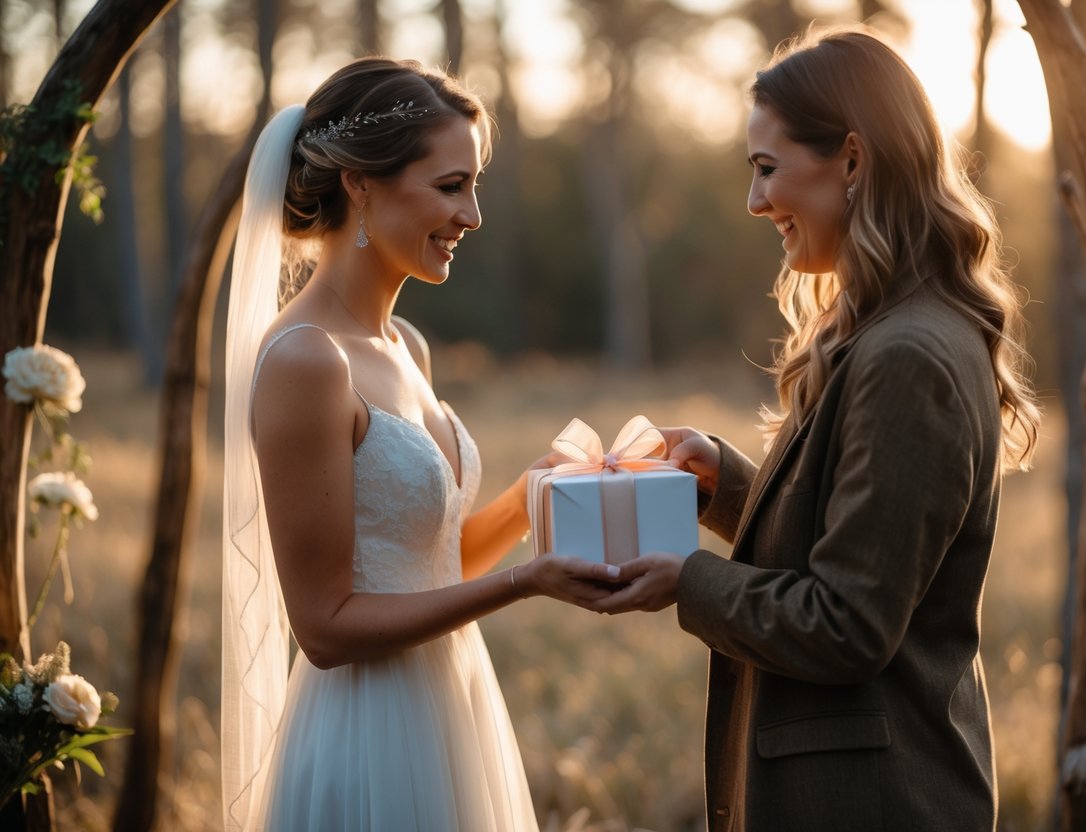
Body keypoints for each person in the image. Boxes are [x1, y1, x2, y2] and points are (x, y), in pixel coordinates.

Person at [586, 27, 1042, 830]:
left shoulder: (909, 355)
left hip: (875, 802)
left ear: (853, 162)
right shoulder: (884, 328)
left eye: (767, 169)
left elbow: (849, 624)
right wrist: (725, 484)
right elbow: (857, 542)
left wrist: (686, 582)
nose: (755, 202)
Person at [219, 58, 613, 831]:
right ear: (360, 184)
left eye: (473, 187)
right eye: (448, 186)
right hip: (368, 730)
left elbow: (427, 565)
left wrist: (533, 492)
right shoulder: (305, 358)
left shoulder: (404, 344)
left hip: (451, 704)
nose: (471, 215)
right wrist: (525, 584)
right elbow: (326, 627)